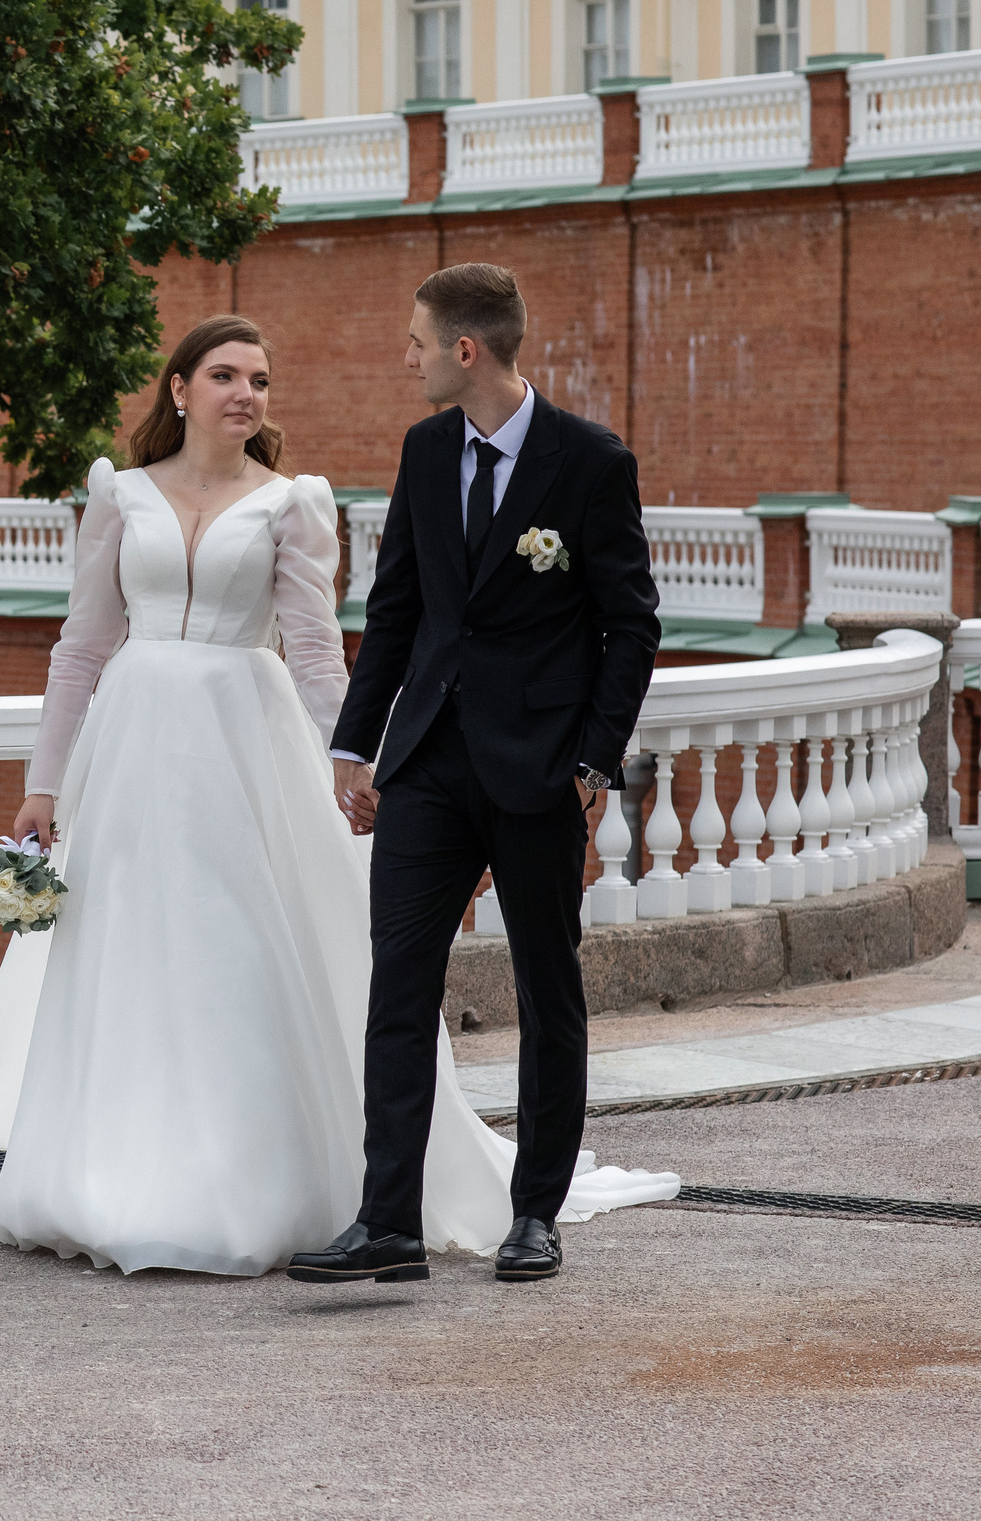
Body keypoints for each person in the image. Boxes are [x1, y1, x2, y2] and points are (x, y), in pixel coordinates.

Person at [0, 309, 673, 1278]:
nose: (246, 394)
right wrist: (43, 785)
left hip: (245, 749)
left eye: (259, 379)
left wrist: (352, 758)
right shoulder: (118, 493)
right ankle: (106, 1174)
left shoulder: (293, 503)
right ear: (178, 389)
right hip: (127, 754)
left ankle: (263, 1187)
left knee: (234, 955)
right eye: (225, 376)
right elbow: (80, 647)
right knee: (125, 958)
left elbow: (320, 650)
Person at [290, 264, 662, 1286]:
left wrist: (591, 761)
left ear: (466, 350)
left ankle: (534, 1214)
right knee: (399, 987)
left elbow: (630, 625)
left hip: (538, 772)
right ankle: (387, 1223)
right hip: (425, 766)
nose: (405, 358)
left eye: (416, 342)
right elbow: (397, 608)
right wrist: (355, 744)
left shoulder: (589, 461)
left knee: (547, 991)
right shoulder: (424, 450)